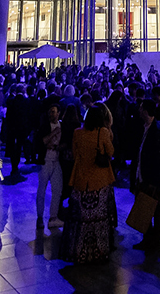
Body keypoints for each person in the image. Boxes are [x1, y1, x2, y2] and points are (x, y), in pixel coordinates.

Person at [66, 103, 117, 263]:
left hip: (81, 179)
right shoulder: (103, 132)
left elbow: (75, 154)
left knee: (82, 219)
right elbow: (111, 152)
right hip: (100, 179)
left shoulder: (77, 133)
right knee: (99, 219)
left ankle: (80, 250)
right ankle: (99, 250)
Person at [132, 98, 160, 253]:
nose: (139, 110)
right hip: (144, 175)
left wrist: (153, 180)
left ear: (146, 111)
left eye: (141, 108)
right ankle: (148, 238)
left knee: (155, 208)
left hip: (151, 178)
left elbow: (157, 158)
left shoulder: (155, 130)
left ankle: (155, 240)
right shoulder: (146, 127)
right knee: (146, 208)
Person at [35, 103, 66, 229]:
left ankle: (53, 217)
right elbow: (41, 141)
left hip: (56, 160)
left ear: (58, 113)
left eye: (53, 111)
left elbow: (65, 143)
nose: (51, 114)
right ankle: (40, 217)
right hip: (45, 161)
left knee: (57, 189)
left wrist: (58, 147)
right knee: (42, 190)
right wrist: (54, 133)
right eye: (50, 112)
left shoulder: (62, 126)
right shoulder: (45, 126)